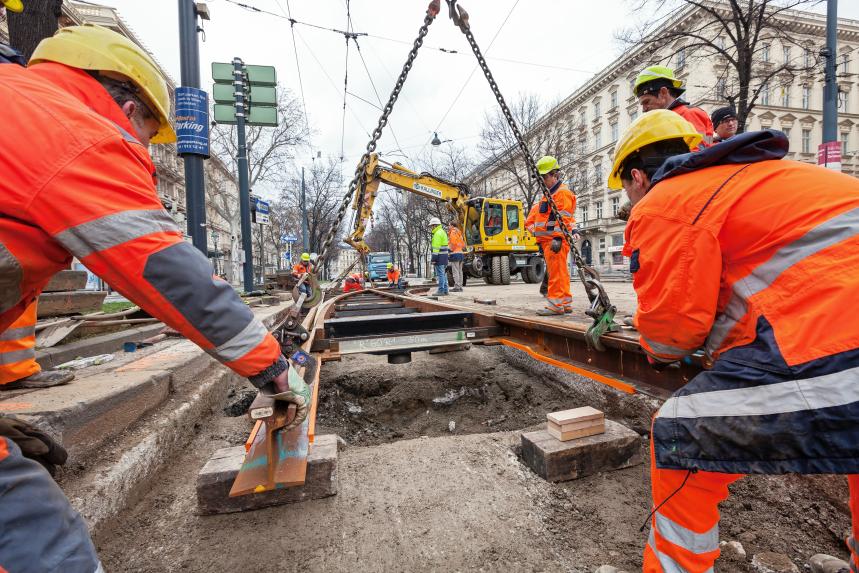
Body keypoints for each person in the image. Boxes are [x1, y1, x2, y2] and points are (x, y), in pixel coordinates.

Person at [0, 25, 309, 572]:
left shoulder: (21, 109)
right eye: (148, 130)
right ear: (126, 105)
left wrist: (10, 374)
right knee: (37, 538)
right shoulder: (80, 135)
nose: (144, 148)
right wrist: (272, 367)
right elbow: (169, 274)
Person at [607, 108, 859, 572]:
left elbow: (670, 337)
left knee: (677, 432)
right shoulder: (764, 177)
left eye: (626, 189)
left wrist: (662, 339)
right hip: (840, 320)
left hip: (835, 341)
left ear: (638, 177)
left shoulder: (668, 200)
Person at [525, 156, 577, 316]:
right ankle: (565, 302)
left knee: (555, 273)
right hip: (549, 241)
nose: (542, 181)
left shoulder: (562, 193)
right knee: (560, 272)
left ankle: (555, 305)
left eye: (545, 177)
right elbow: (535, 221)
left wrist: (558, 238)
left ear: (555, 175)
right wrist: (537, 233)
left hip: (555, 241)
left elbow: (564, 218)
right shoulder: (548, 196)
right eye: (540, 178)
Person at [633, 65, 714, 146]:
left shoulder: (688, 114)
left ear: (663, 92)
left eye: (646, 102)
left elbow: (698, 152)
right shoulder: (666, 119)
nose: (644, 109)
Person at [429, 216, 449, 296]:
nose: (431, 227)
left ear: (435, 225)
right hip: (444, 257)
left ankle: (441, 290)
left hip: (439, 257)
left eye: (431, 226)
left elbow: (436, 249)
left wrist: (433, 259)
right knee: (443, 274)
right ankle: (445, 290)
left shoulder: (437, 234)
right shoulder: (442, 232)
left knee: (440, 274)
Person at [447, 221, 466, 292]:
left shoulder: (453, 232)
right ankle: (460, 286)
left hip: (455, 254)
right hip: (461, 253)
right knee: (460, 271)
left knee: (455, 271)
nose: (448, 227)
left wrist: (449, 249)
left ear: (452, 226)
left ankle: (457, 287)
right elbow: (463, 244)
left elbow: (453, 243)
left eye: (449, 225)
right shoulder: (459, 233)